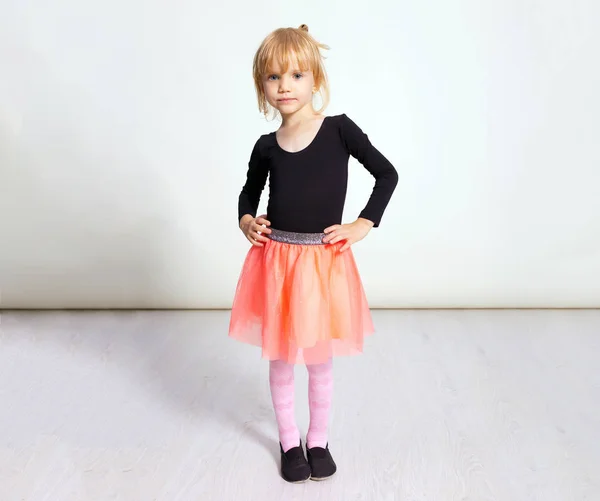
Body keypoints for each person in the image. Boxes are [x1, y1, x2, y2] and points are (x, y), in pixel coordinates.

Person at [228, 24, 398, 483]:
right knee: (282, 358)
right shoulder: (266, 147)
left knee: (319, 359)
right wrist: (248, 221)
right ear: (261, 85)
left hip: (323, 264)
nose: (285, 85)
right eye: (273, 77)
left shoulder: (340, 131)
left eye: (297, 75)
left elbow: (387, 174)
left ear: (315, 80)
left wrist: (363, 223)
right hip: (279, 265)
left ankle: (318, 439)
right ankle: (288, 441)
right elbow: (247, 196)